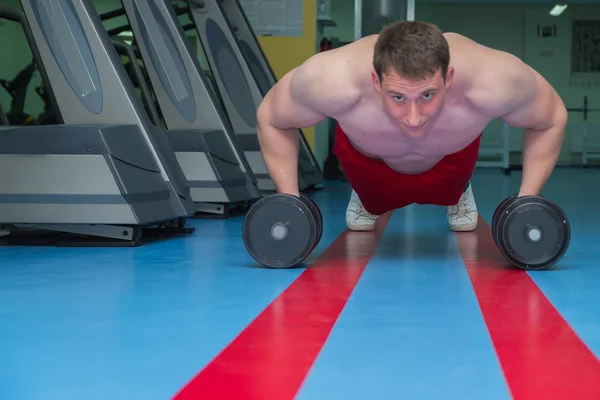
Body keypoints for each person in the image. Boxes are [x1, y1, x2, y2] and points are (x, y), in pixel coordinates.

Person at [255, 21, 567, 232]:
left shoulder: (495, 80)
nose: (414, 117)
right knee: (367, 205)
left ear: (449, 78)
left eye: (428, 94)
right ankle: (363, 198)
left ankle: (459, 193)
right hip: (369, 162)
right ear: (376, 81)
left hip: (451, 160)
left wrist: (526, 201)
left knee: (453, 172)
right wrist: (289, 202)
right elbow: (272, 117)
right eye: (398, 96)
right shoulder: (331, 80)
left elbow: (551, 117)